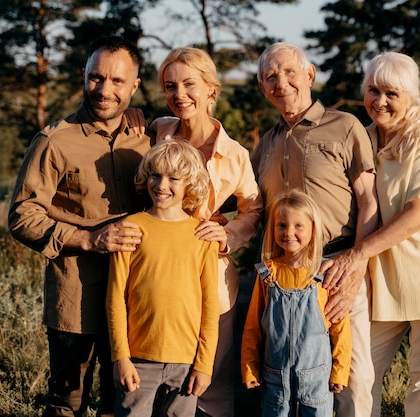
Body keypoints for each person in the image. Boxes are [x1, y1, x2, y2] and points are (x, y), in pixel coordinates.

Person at [324, 51, 420, 416]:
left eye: (392, 93)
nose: (380, 102)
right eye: (373, 90)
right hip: (384, 280)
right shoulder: (359, 138)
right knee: (359, 375)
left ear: (411, 96)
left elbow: (419, 213)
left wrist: (357, 255)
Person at [8, 36, 150, 417]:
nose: (104, 90)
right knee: (66, 403)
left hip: (136, 298)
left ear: (134, 86)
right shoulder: (54, 141)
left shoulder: (148, 140)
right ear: (83, 77)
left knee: (123, 401)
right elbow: (22, 215)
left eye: (117, 81)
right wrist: (88, 239)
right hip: (76, 300)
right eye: (95, 77)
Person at [251, 42, 378, 416]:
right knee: (287, 381)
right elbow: (247, 205)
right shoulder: (267, 143)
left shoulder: (345, 126)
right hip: (281, 278)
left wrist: (356, 268)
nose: (281, 82)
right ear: (262, 87)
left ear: (309, 75)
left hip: (337, 267)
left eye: (289, 72)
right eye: (270, 77)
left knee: (351, 377)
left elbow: (369, 202)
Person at [146, 46, 263, 417]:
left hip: (208, 281)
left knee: (209, 381)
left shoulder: (236, 155)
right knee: (158, 377)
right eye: (170, 86)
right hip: (156, 276)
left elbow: (253, 208)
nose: (179, 95)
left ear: (211, 89)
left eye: (189, 84)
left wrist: (228, 236)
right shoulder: (156, 132)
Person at [106, 140, 220, 417]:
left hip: (186, 361)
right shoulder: (130, 228)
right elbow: (115, 297)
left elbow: (209, 306)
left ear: (190, 184)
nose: (161, 184)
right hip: (138, 359)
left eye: (174, 178)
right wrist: (120, 357)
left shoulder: (202, 236)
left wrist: (204, 366)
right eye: (155, 175)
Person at [241, 189, 352, 417]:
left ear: (313, 229)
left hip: (316, 379)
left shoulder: (323, 274)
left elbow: (340, 328)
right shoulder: (267, 274)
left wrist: (340, 372)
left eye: (298, 226)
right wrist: (249, 366)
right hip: (275, 377)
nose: (289, 232)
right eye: (282, 225)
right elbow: (253, 326)